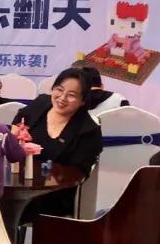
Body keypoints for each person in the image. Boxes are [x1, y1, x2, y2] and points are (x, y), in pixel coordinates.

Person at [14, 68, 103, 219]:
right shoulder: (38, 106)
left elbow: (78, 174)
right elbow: (15, 131)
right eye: (59, 90)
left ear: (82, 100)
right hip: (21, 184)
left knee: (8, 206)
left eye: (71, 95)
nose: (62, 98)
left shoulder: (88, 131)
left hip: (57, 194)